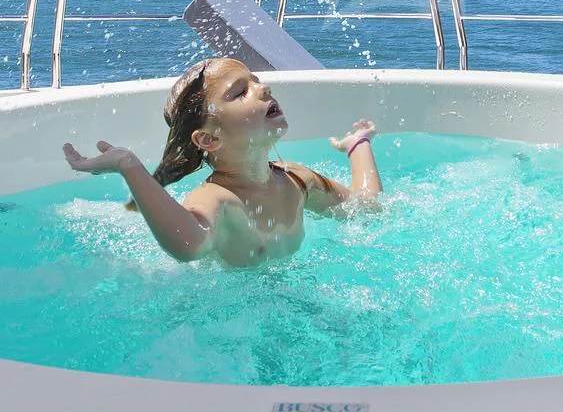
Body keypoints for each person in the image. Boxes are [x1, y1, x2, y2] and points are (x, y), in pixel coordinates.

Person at [61, 57, 382, 268]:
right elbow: (188, 246)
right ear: (208, 139)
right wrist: (128, 165)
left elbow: (365, 207)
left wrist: (359, 145)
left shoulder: (297, 180)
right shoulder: (216, 199)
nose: (263, 87)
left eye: (256, 80)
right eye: (240, 91)